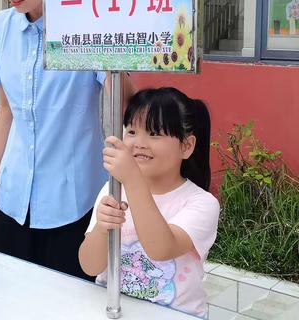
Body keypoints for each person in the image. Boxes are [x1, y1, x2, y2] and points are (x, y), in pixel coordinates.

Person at [0, 0, 133, 280]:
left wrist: (114, 55)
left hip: (72, 200)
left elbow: (123, 104)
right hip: (12, 198)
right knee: (12, 293)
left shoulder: (85, 26)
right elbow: (6, 108)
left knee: (68, 301)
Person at [79, 87, 220, 318]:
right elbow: (89, 266)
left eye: (154, 133)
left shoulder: (201, 203)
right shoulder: (112, 190)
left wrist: (132, 178)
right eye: (132, 131)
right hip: (115, 311)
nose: (139, 143)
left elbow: (161, 248)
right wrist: (102, 230)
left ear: (186, 146)